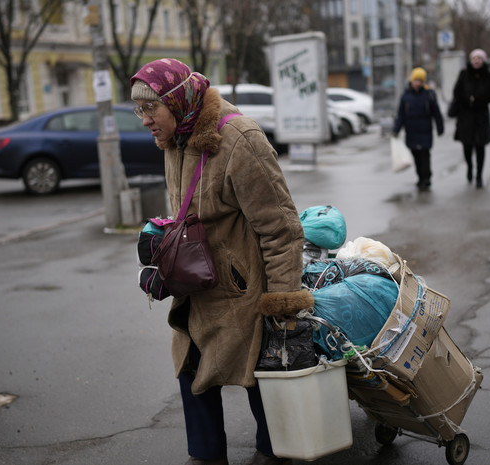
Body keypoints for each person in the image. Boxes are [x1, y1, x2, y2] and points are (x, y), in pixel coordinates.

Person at [130, 58, 313, 465]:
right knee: (190, 366)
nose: (144, 120)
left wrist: (282, 302)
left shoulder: (239, 139)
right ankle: (206, 455)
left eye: (149, 108)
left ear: (176, 101)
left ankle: (273, 451)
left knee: (259, 373)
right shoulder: (173, 138)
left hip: (242, 291)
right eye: (138, 109)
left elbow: (281, 228)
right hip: (195, 284)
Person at [392, 67, 444, 191]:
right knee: (416, 156)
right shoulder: (405, 96)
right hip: (411, 131)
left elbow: (436, 113)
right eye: (416, 80)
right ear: (412, 80)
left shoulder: (429, 95)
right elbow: (401, 115)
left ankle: (427, 178)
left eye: (420, 81)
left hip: (425, 131)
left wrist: (440, 127)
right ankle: (420, 178)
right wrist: (396, 129)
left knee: (425, 156)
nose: (418, 83)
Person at [452, 49, 490, 188]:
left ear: (483, 60)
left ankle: (479, 176)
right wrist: (467, 100)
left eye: (479, 58)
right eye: (474, 58)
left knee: (480, 147)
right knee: (467, 147)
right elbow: (457, 92)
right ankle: (470, 167)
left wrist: (476, 100)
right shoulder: (463, 75)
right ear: (470, 60)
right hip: (466, 116)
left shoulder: (489, 76)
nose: (476, 61)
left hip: (481, 116)